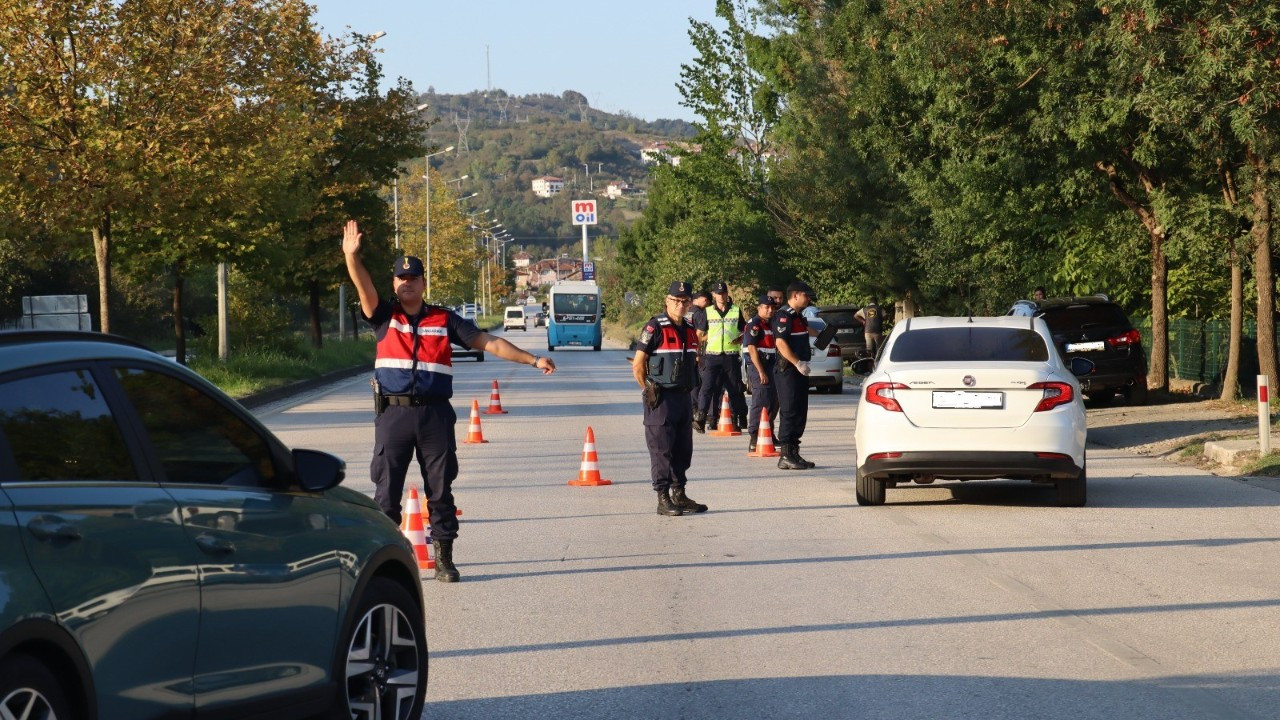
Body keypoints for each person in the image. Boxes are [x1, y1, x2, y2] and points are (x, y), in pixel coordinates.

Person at [343, 220, 555, 582]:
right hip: (393, 415)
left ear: (423, 283)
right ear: (394, 284)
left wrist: (532, 359)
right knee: (386, 493)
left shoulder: (444, 319)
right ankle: (384, 562)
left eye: (413, 278)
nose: (406, 283)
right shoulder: (384, 317)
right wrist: (352, 257)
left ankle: (444, 557)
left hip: (434, 416)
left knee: (440, 490)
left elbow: (489, 342)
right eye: (400, 278)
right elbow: (364, 288)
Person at [632, 282, 707, 516]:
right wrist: (648, 390)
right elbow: (638, 364)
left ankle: (679, 494)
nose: (681, 305)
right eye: (676, 300)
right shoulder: (655, 327)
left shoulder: (689, 327)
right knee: (661, 450)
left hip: (683, 397)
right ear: (667, 300)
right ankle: (662, 498)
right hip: (661, 399)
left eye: (685, 301)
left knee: (683, 449)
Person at [771, 281, 817, 470]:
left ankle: (794, 452)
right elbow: (781, 343)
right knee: (789, 411)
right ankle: (785, 455)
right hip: (788, 370)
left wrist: (826, 333)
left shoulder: (799, 317)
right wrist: (797, 363)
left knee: (800, 410)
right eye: (806, 295)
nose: (808, 299)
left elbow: (809, 332)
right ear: (796, 295)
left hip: (800, 370)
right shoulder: (783, 316)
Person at [695, 281, 748, 433]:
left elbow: (745, 330)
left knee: (736, 388)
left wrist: (741, 338)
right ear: (714, 295)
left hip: (730, 356)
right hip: (712, 356)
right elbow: (699, 334)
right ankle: (701, 418)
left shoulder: (735, 311)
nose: (721, 296)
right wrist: (697, 353)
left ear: (727, 293)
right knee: (707, 388)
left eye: (723, 293)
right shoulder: (708, 311)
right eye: (718, 293)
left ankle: (740, 417)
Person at [742, 294, 780, 453]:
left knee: (774, 400)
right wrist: (760, 371)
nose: (770, 310)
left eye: (772, 307)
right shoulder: (755, 324)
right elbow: (752, 349)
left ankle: (768, 432)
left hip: (772, 365)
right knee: (761, 400)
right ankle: (754, 435)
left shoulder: (771, 324)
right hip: (759, 365)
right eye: (767, 307)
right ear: (759, 308)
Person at [686, 291, 711, 425]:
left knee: (692, 381)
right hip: (699, 351)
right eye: (706, 300)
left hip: (687, 351)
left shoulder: (686, 312)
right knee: (700, 383)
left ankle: (691, 410)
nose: (708, 303)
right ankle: (697, 410)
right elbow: (699, 336)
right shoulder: (701, 314)